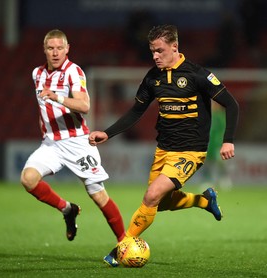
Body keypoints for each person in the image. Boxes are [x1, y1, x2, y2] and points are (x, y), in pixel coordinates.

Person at [89, 24, 239, 267]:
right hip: (164, 150)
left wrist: (228, 140)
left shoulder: (198, 75)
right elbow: (137, 110)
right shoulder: (153, 77)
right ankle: (204, 200)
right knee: (162, 202)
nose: (155, 56)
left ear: (174, 47)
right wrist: (108, 133)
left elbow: (232, 104)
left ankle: (121, 249)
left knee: (151, 195)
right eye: (152, 52)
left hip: (191, 151)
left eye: (159, 50)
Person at [20, 29, 125, 247]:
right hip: (51, 143)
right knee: (28, 179)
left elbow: (84, 106)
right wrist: (45, 127)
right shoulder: (37, 74)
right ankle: (68, 209)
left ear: (67, 49)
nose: (55, 53)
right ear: (44, 50)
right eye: (51, 48)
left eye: (60, 48)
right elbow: (43, 108)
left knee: (98, 195)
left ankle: (125, 241)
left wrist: (57, 96)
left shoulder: (74, 72)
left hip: (77, 142)